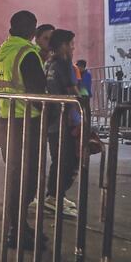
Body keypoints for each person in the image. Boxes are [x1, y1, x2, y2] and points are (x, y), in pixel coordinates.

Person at [0, 10, 48, 251]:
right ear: (31, 30)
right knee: (28, 179)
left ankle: (17, 226)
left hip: (7, 120)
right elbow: (38, 92)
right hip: (27, 121)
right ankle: (17, 230)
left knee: (16, 177)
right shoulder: (28, 53)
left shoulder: (3, 51)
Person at [44, 29, 81, 220]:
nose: (73, 47)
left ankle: (55, 195)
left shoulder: (48, 64)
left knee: (60, 159)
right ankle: (54, 196)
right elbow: (73, 90)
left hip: (52, 120)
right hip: (64, 120)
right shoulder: (64, 64)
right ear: (64, 45)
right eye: (71, 43)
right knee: (68, 160)